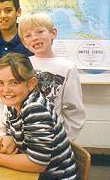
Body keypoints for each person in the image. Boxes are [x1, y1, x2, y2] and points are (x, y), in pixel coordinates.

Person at [0, 53, 78, 180]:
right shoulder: (14, 104)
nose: (6, 89)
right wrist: (9, 138)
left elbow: (37, 163)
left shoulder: (35, 109)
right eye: (0, 83)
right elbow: (19, 132)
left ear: (31, 83)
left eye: (14, 82)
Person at [18, 12, 85, 140]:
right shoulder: (21, 64)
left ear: (53, 33)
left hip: (51, 136)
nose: (34, 38)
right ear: (24, 43)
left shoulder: (67, 68)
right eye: (28, 35)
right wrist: (5, 133)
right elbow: (5, 102)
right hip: (20, 135)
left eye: (39, 32)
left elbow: (74, 111)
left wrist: (63, 138)